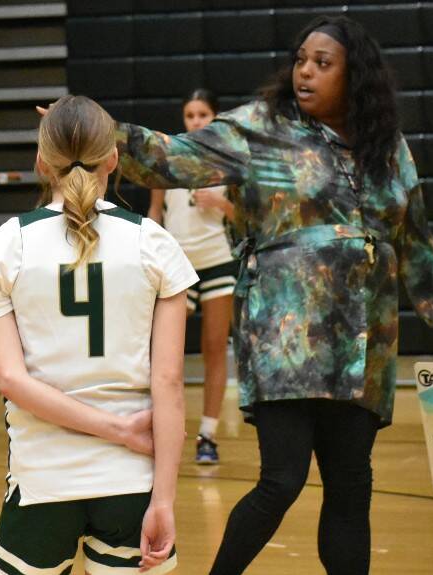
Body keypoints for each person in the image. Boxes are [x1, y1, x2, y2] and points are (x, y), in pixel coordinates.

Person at [113, 16, 433, 574]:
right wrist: (101, 134)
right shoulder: (260, 129)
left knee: (352, 488)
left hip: (364, 343)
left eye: (322, 63)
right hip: (287, 338)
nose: (304, 71)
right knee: (281, 481)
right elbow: (171, 155)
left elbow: (416, 241)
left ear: (355, 76)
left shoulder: (389, 149)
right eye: (301, 59)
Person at [0, 95, 197, 575]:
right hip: (132, 484)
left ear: (40, 161)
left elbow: (12, 381)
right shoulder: (155, 243)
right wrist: (164, 498)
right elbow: (170, 382)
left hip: (43, 485)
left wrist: (114, 430)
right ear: (114, 158)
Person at [147, 89, 236, 465]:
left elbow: (247, 218)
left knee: (214, 348)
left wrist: (220, 202)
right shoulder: (169, 161)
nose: (196, 121)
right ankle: (163, 430)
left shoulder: (229, 162)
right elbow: (154, 214)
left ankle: (208, 436)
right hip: (177, 266)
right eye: (190, 114)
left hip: (217, 260)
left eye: (203, 114)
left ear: (214, 117)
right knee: (166, 354)